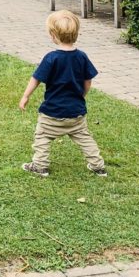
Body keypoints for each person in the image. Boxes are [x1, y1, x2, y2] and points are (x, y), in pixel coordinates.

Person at [18, 10, 107, 177]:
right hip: (76, 112)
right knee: (84, 138)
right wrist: (82, 94)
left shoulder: (51, 58)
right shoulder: (81, 57)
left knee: (42, 137)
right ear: (76, 34)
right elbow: (88, 81)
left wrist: (25, 96)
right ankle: (97, 166)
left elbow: (36, 78)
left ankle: (40, 166)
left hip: (52, 112)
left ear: (53, 35)